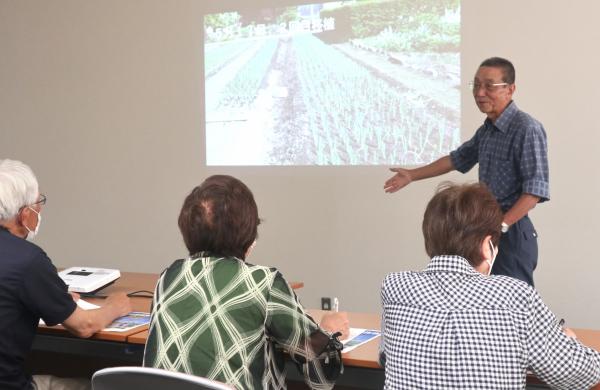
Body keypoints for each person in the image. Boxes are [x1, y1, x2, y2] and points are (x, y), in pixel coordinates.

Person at [380, 182, 600, 389]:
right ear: (488, 246)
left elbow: (385, 356)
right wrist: (571, 342)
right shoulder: (516, 297)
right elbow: (576, 375)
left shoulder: (395, 286)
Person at [143, 174, 349, 390]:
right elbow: (321, 378)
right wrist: (326, 333)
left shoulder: (168, 276)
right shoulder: (263, 282)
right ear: (249, 234)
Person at [384, 57, 548, 287]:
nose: (480, 93)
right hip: (486, 231)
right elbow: (457, 159)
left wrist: (500, 226)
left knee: (511, 307)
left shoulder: (527, 128)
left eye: (489, 86)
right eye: (476, 85)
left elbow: (534, 191)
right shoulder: (488, 129)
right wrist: (412, 175)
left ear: (510, 89)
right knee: (480, 306)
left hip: (509, 232)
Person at [0, 159, 132, 390]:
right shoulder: (28, 259)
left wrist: (53, 300)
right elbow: (84, 325)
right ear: (24, 214)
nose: (40, 209)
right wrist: (115, 306)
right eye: (38, 202)